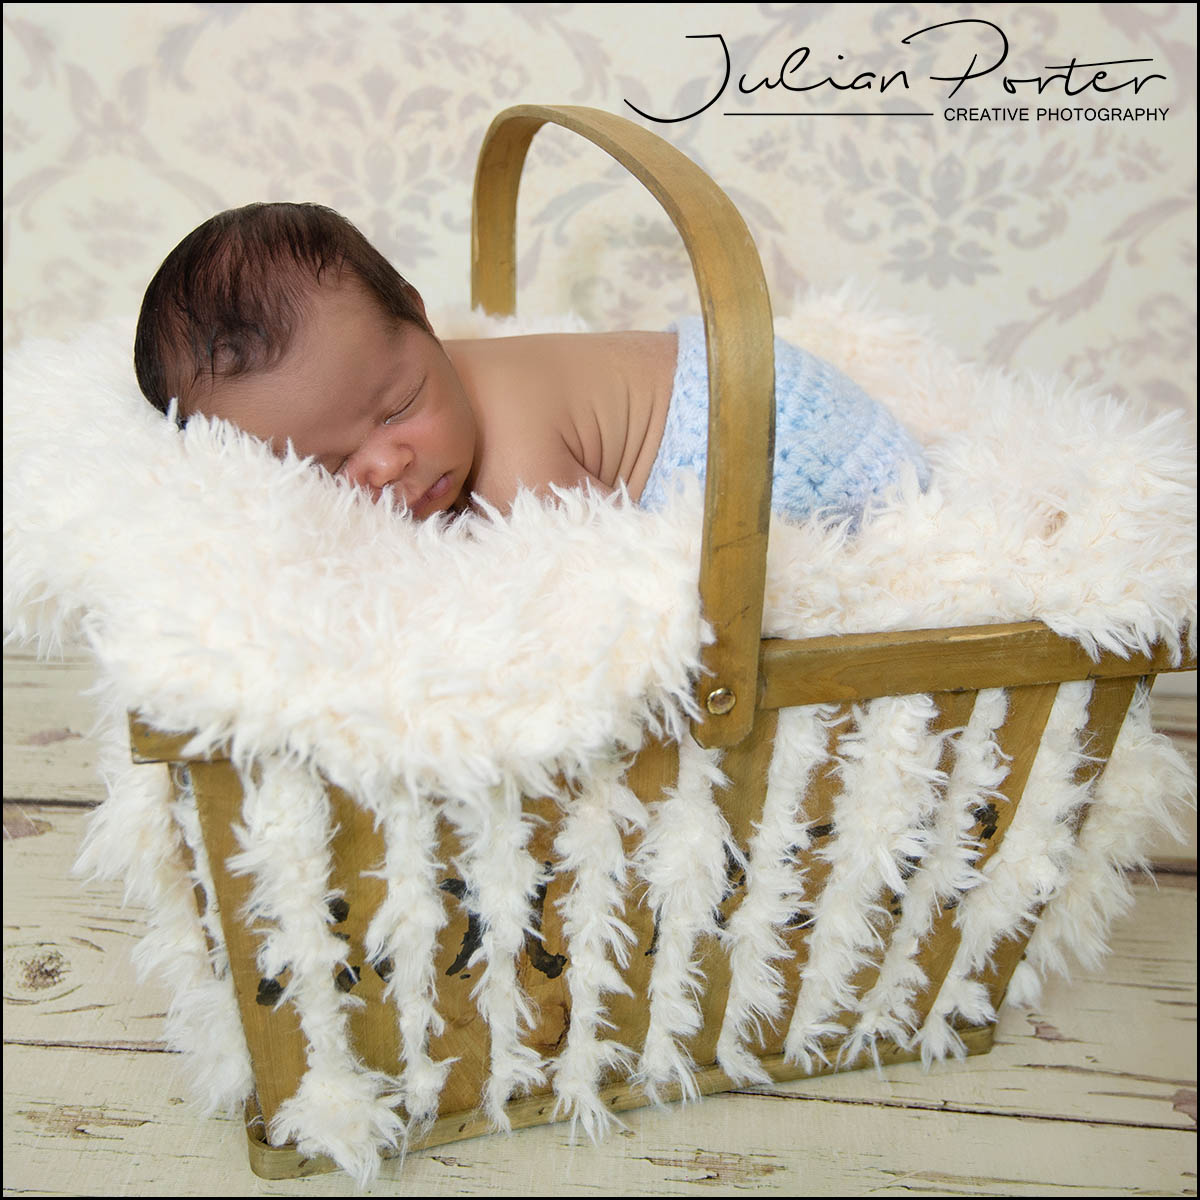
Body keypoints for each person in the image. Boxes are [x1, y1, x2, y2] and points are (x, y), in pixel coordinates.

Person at [134, 202, 928, 523]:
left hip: (775, 435)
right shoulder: (408, 382)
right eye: (327, 463)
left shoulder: (513, 462)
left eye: (399, 405)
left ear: (418, 313)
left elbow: (564, 586)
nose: (388, 461)